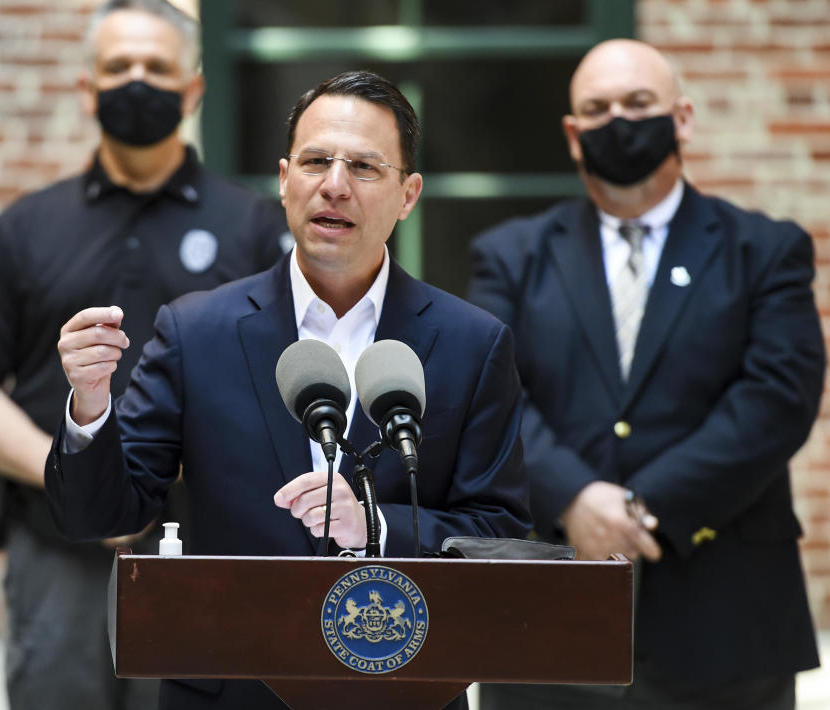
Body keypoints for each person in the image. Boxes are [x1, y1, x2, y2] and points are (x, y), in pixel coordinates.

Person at [45, 70, 532, 709]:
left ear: (408, 194)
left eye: (364, 167)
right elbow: (102, 515)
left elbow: (500, 534)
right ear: (283, 180)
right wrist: (89, 405)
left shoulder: (471, 342)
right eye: (315, 162)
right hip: (230, 688)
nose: (334, 185)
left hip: (402, 684)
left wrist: (377, 527)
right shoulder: (197, 331)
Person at [0, 2, 289, 709]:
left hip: (203, 548)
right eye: (119, 67)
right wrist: (77, 477)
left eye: (157, 68)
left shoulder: (253, 225)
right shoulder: (26, 226)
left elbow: (281, 384)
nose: (137, 80)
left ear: (193, 91)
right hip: (55, 550)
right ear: (86, 89)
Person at [467, 38, 824, 709]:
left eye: (638, 104)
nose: (618, 123)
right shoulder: (509, 256)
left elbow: (778, 399)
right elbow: (489, 398)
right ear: (573, 135)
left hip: (725, 622)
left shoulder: (766, 250)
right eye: (596, 110)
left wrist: (638, 508)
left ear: (681, 117)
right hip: (547, 618)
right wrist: (574, 498)